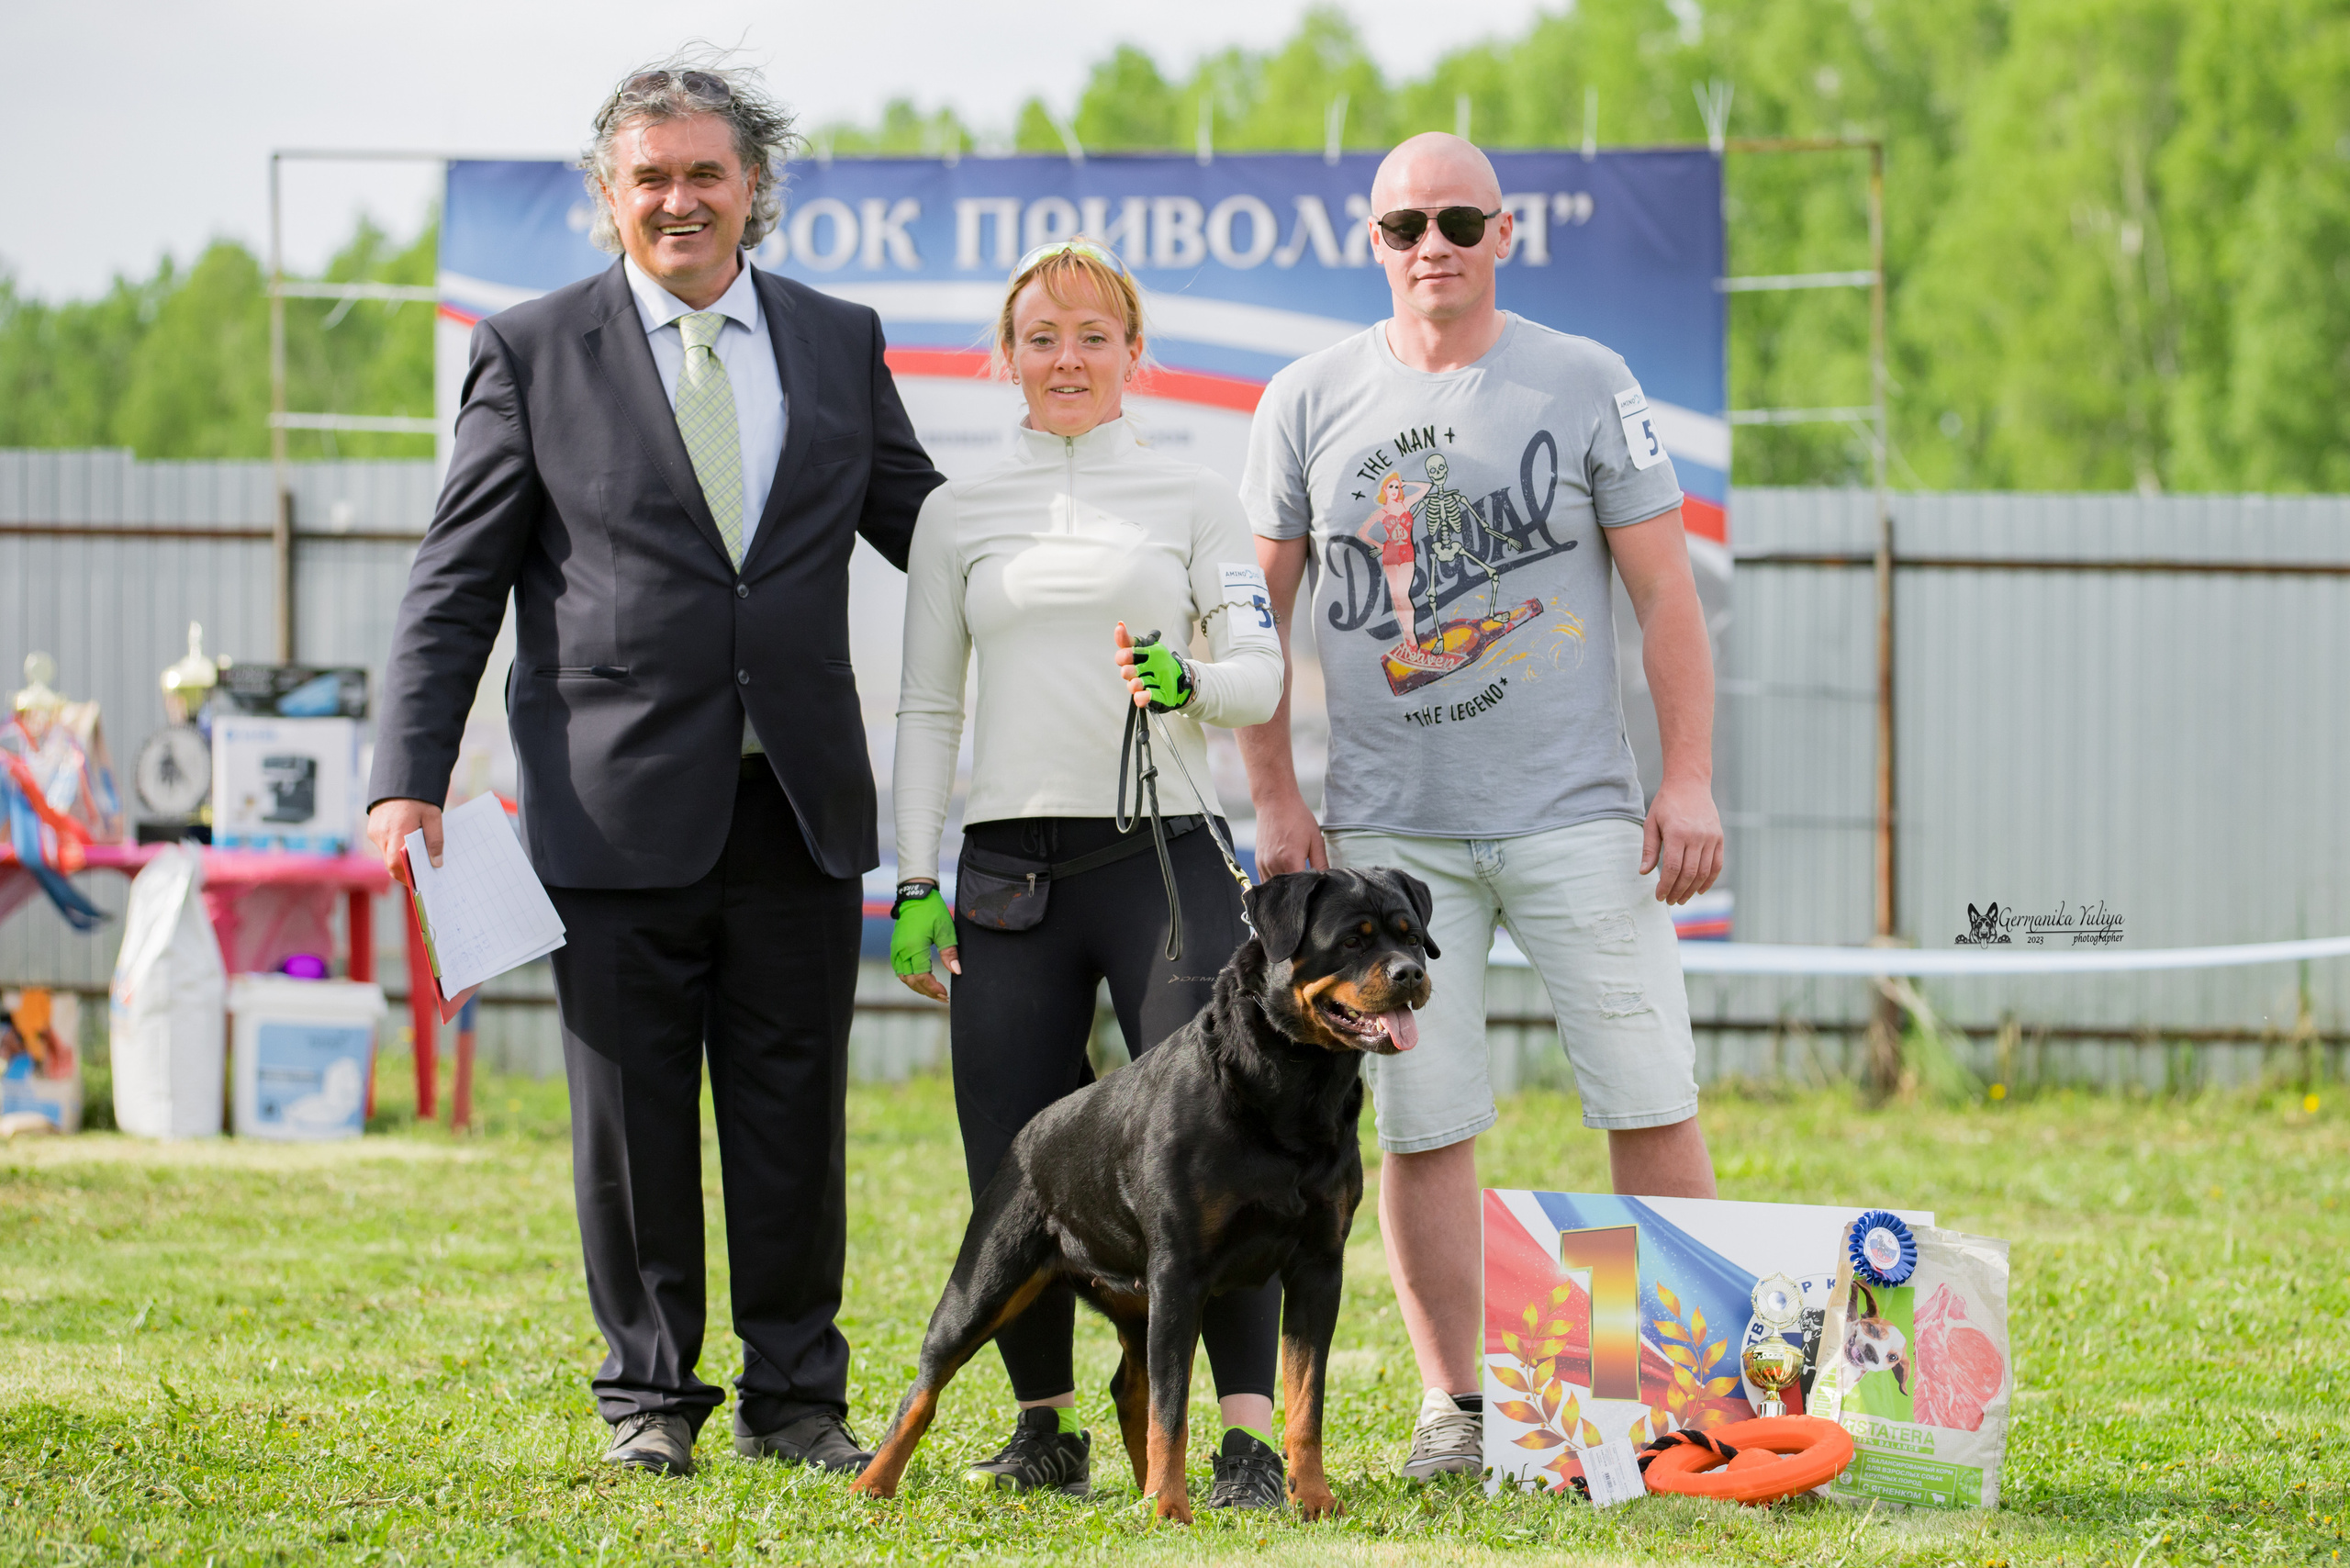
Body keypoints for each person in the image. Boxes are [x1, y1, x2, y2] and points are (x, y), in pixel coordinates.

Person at [364, 54, 945, 1480]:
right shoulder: (528, 350)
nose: (679, 200)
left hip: (795, 805)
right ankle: (648, 1403)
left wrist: (1081, 570)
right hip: (608, 809)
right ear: (606, 199)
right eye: (650, 179)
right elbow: (458, 580)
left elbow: (929, 531)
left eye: (706, 174)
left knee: (793, 1118)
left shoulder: (835, 337)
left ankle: (799, 1398)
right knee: (627, 1131)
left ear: (755, 188)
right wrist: (407, 772)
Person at [1236, 132, 1724, 1480]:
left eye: (1459, 220)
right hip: (1387, 843)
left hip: (1578, 817)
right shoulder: (1306, 398)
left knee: (1647, 1096)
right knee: (1423, 1121)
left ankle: (1668, 1402)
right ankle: (1461, 1408)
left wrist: (1684, 779)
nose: (1431, 245)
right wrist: (1277, 801)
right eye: (1405, 225)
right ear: (1372, 241)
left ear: (1505, 234)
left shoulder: (1585, 379)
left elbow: (1667, 595)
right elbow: (1251, 620)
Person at [888, 238, 1291, 1506]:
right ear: (1004, 359)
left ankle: (1245, 1442)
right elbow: (923, 714)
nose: (1067, 359)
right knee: (1016, 1156)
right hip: (1009, 870)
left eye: (1093, 336)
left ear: (1134, 354)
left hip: (1164, 863)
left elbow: (1262, 675)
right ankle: (1045, 1428)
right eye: (1041, 338)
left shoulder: (1195, 500)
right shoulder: (956, 512)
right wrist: (911, 882)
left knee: (1218, 1146)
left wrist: (1194, 684)